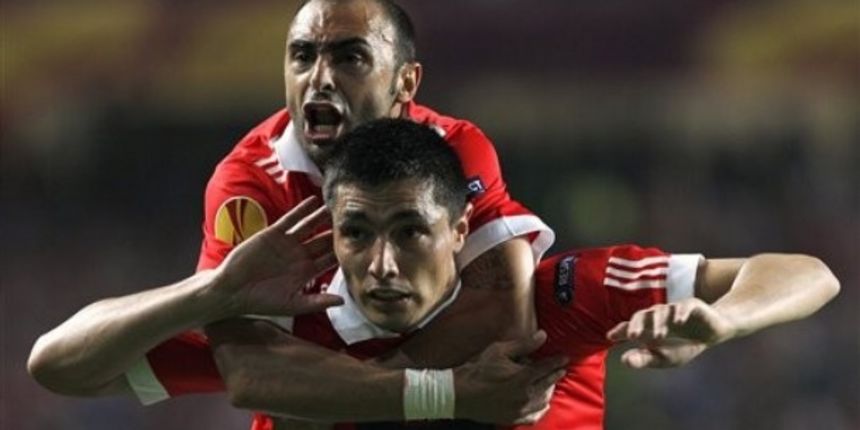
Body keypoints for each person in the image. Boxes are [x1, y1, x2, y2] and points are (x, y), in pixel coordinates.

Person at [30, 119, 840, 429]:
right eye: (357, 235)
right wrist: (209, 293)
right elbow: (60, 366)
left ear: (461, 229)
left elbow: (804, 273)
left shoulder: (556, 299)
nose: (382, 264)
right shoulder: (293, 341)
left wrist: (725, 320)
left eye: (410, 232)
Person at [30, 0, 553, 421]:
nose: (320, 78)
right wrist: (213, 292)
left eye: (350, 57)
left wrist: (327, 390)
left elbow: (501, 319)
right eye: (303, 56)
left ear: (405, 83)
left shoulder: (454, 151)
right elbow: (253, 373)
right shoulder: (250, 183)